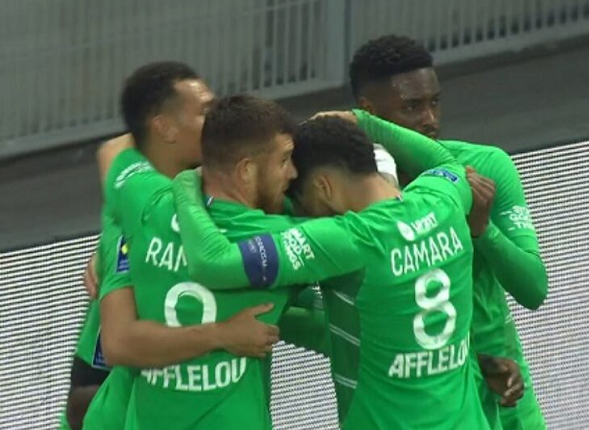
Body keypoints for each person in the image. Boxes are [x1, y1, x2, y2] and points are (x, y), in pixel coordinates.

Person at [170, 110, 498, 429]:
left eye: (300, 202)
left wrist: (185, 188)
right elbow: (447, 164)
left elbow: (212, 262)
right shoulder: (443, 201)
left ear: (323, 187)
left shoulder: (348, 240)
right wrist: (364, 121)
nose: (300, 215)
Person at [349, 34, 549, 429]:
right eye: (412, 107)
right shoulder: (351, 193)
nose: (430, 119)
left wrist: (483, 230)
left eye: (435, 102)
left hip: (508, 397)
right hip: (421, 405)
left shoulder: (486, 165)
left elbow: (533, 288)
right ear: (369, 112)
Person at [103, 94, 338, 430]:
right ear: (246, 170)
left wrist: (114, 244)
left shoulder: (150, 203)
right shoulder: (281, 238)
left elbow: (116, 151)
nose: (293, 172)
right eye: (284, 160)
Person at [74, 63, 286, 430]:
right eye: (204, 111)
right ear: (165, 128)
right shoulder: (136, 217)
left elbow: (114, 150)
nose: (216, 120)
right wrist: (223, 334)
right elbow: (103, 368)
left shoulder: (228, 202)